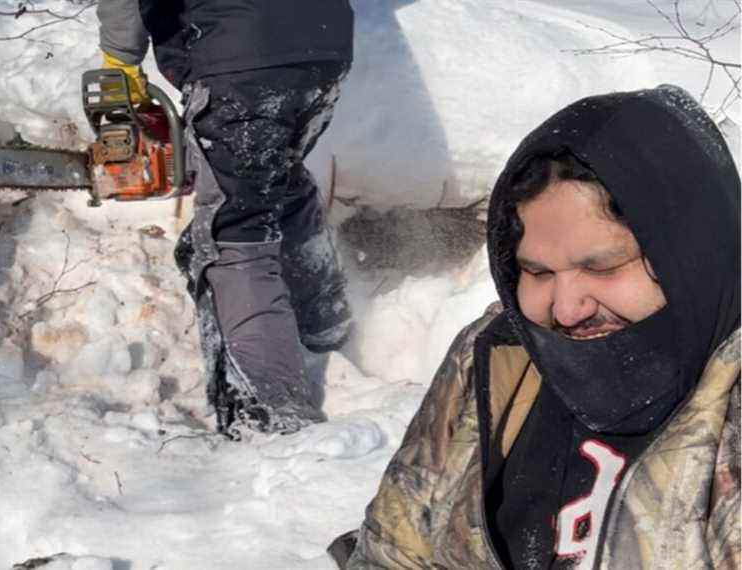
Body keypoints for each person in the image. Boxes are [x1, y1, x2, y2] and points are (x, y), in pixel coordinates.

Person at [329, 85, 740, 569]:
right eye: (538, 272)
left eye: (604, 267)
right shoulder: (501, 358)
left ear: (691, 255)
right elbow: (395, 547)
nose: (567, 310)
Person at [97, 1, 355, 435]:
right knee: (278, 179)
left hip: (238, 56)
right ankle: (326, 323)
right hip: (324, 49)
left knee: (234, 230)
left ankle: (270, 412)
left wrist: (119, 59)